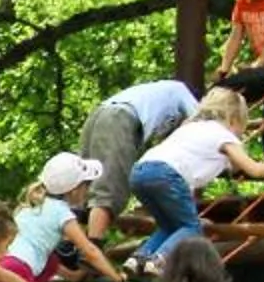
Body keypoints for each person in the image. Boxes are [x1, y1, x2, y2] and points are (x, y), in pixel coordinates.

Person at [126, 88, 264, 270]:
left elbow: (233, 167)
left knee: (170, 226)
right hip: (166, 175)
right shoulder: (224, 136)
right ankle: (159, 261)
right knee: (191, 228)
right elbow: (253, 169)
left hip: (140, 172)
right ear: (234, 119)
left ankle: (137, 259)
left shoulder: (191, 127)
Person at [77, 78, 199, 241]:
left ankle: (70, 247)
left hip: (100, 114)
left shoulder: (161, 98)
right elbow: (200, 125)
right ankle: (92, 248)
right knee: (110, 189)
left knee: (84, 185)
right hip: (120, 119)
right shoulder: (183, 92)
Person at [12, 153, 123, 282]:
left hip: (2, 265)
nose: (89, 189)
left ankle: (71, 277)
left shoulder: (31, 208)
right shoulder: (62, 213)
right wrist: (116, 277)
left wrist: (73, 276)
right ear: (73, 190)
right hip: (21, 271)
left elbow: (45, 258)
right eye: (86, 184)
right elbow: (89, 251)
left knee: (51, 259)